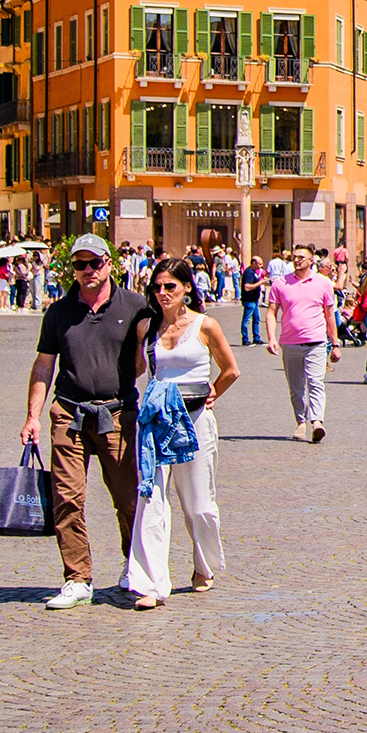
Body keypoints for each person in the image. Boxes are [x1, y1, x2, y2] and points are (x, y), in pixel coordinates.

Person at [23, 234, 157, 610]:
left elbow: (155, 350)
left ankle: (136, 569)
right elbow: (44, 364)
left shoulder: (133, 306)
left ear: (108, 263)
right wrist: (32, 416)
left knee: (128, 498)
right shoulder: (59, 312)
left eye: (94, 263)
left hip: (117, 412)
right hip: (69, 411)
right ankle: (77, 578)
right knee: (67, 498)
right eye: (80, 265)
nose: (87, 272)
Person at [125, 260, 239, 610]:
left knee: (198, 503)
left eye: (170, 286)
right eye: (157, 287)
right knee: (151, 499)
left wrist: (212, 394)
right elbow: (138, 370)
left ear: (187, 288)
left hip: (194, 420)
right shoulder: (147, 327)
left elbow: (231, 370)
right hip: (157, 420)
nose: (162, 293)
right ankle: (150, 583)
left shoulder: (206, 326)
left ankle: (203, 565)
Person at [266, 246, 342, 442]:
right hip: (290, 343)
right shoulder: (280, 284)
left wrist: (335, 343)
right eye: (294, 257)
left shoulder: (323, 283)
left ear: (311, 261)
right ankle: (301, 422)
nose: (297, 260)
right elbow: (271, 313)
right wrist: (271, 338)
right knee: (296, 386)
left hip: (316, 342)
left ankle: (317, 422)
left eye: (301, 257)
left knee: (316, 382)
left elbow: (330, 316)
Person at [238, 256, 267, 346]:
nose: (261, 266)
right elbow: (247, 287)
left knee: (256, 319)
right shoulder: (248, 273)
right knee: (246, 320)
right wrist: (260, 283)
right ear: (253, 263)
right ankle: (245, 339)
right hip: (249, 300)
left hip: (254, 300)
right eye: (259, 264)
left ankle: (256, 338)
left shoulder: (254, 272)